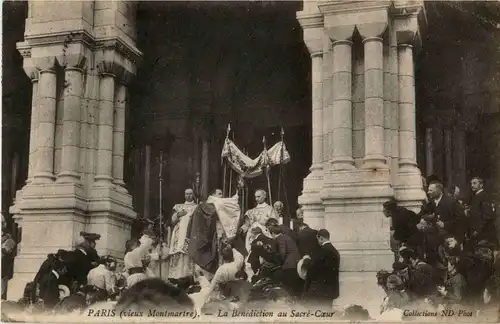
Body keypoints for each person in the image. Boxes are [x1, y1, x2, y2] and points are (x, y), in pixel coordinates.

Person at [303, 229, 340, 309]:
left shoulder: (322, 251)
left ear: (321, 238)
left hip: (320, 290)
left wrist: (306, 260)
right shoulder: (335, 251)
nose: (318, 242)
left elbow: (313, 268)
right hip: (331, 289)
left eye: (318, 239)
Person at [167, 188, 198, 279]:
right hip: (178, 233)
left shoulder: (196, 207)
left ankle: (187, 278)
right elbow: (171, 222)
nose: (188, 195)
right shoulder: (178, 207)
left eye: (190, 194)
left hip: (190, 234)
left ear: (193, 195)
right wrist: (178, 215)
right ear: (184, 195)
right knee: (178, 252)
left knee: (187, 254)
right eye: (187, 194)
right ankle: (175, 278)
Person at [238, 189, 278, 254]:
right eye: (255, 197)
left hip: (265, 235)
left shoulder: (270, 209)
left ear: (264, 196)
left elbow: (274, 224)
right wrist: (241, 229)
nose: (256, 199)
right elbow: (247, 224)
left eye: (258, 196)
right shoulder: (251, 211)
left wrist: (262, 229)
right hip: (252, 236)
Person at [468, 177, 497, 246]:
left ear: (481, 185)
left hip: (483, 232)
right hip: (476, 231)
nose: (472, 185)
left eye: (474, 183)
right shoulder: (476, 196)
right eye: (471, 183)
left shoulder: (483, 196)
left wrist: (477, 230)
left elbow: (487, 216)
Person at [1, 229, 16, 300]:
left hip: (4, 263)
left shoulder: (10, 240)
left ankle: (3, 295)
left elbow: (7, 251)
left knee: (4, 279)